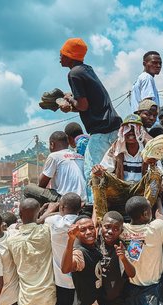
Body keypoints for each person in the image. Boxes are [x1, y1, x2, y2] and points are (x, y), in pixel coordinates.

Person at [58, 37, 122, 202]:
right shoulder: (86, 69)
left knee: (91, 173)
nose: (59, 57)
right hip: (113, 128)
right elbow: (89, 103)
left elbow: (83, 105)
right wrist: (72, 102)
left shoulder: (73, 74)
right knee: (112, 171)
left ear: (69, 56)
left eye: (62, 53)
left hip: (101, 131)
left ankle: (95, 208)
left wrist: (68, 99)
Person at [24, 131, 86, 204]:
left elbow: (41, 184)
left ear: (52, 144)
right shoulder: (80, 156)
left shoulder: (54, 156)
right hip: (84, 199)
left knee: (29, 189)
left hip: (66, 200)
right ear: (68, 143)